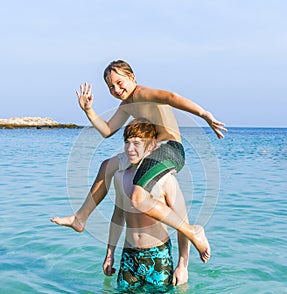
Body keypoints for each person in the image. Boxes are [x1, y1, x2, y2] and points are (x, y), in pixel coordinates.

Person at [51, 60, 227, 263]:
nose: (116, 89)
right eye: (110, 87)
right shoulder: (126, 106)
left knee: (137, 198)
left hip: (170, 150)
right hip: (149, 152)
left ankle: (192, 231)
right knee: (106, 166)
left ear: (132, 77)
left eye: (119, 82)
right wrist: (88, 111)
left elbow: (171, 97)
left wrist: (204, 114)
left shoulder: (142, 93)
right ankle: (80, 217)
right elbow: (108, 130)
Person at [102, 119, 194, 292]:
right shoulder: (120, 176)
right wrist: (110, 253)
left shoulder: (166, 180)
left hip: (158, 254)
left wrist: (183, 266)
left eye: (137, 143)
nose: (130, 149)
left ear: (151, 145)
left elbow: (184, 224)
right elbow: (118, 215)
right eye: (127, 143)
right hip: (129, 255)